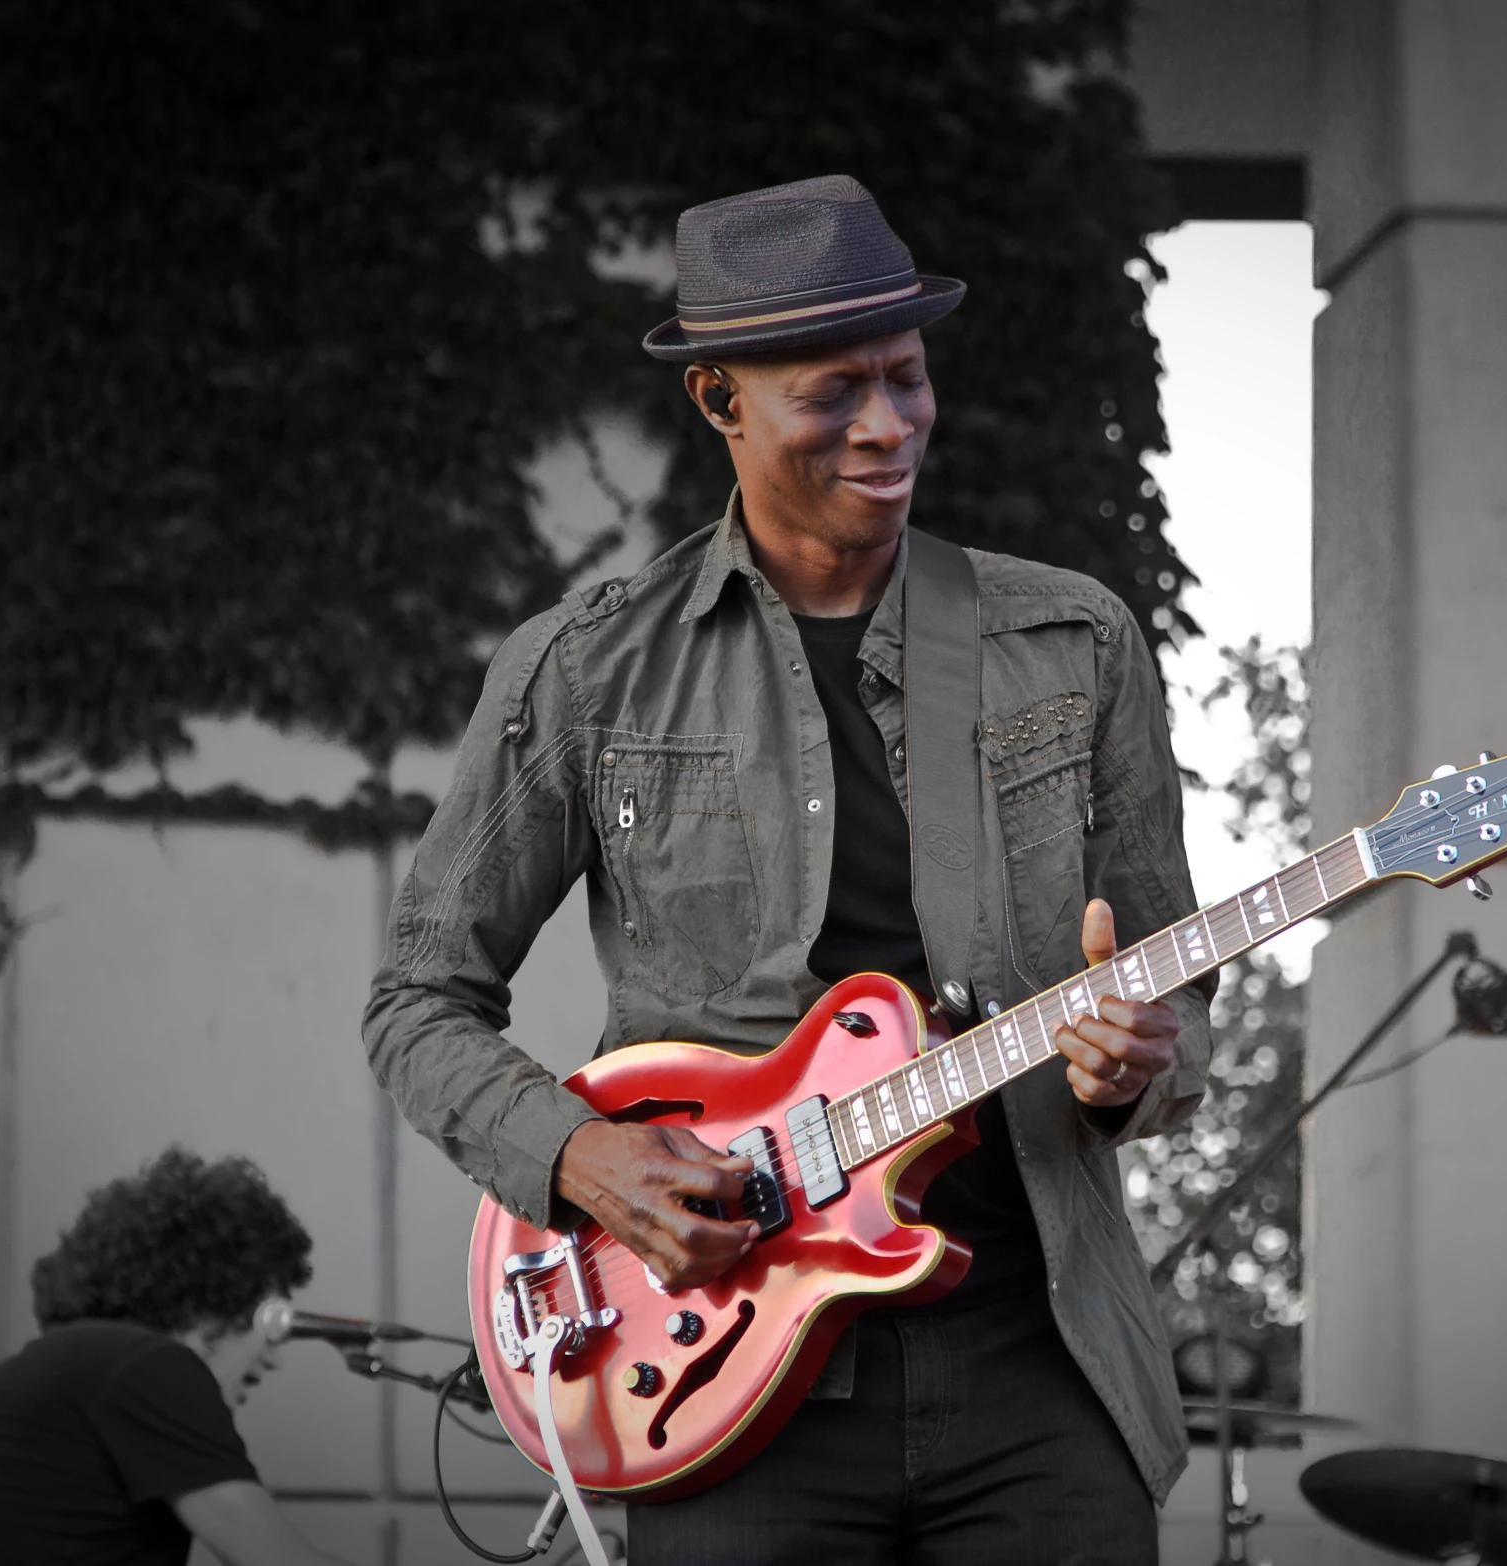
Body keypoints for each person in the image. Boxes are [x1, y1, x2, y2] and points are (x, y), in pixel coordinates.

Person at [365, 174, 1213, 1563]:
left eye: (907, 377)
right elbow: (416, 997)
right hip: (719, 1369)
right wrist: (577, 1157)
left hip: (1036, 1350)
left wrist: (1137, 1064)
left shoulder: (1074, 641)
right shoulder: (584, 670)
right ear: (719, 401)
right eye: (834, 393)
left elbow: (1174, 994)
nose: (888, 427)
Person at [0, 1147, 356, 1566]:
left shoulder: (91, 1367)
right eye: (267, 1315)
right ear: (218, 1293)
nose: (273, 1357)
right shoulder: (148, 1366)